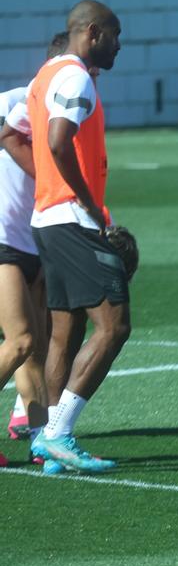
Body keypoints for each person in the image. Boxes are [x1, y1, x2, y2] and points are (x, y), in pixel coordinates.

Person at [27, 2, 133, 476]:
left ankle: (50, 445)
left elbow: (18, 135)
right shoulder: (75, 78)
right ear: (93, 33)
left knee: (64, 334)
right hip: (72, 218)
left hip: (47, 217)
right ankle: (58, 433)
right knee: (114, 325)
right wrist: (91, 207)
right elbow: (56, 140)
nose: (118, 44)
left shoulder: (45, 75)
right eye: (114, 35)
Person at [0, 36, 65, 461]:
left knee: (35, 349)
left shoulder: (69, 106)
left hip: (36, 240)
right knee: (21, 342)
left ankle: (41, 438)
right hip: (4, 239)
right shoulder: (15, 101)